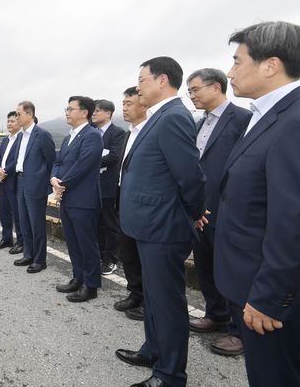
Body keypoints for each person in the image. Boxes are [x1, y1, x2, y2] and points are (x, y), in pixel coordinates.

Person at [215, 21, 300, 387]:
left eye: (238, 62)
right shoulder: (269, 115)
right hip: (248, 280)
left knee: (276, 378)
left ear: (270, 65)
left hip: (266, 293)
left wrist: (269, 298)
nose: (230, 72)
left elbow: (294, 221)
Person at [116, 57, 206, 387]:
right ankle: (153, 350)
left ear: (162, 80)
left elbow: (190, 176)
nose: (138, 87)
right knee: (154, 298)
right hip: (147, 225)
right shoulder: (160, 116)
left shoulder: (173, 117)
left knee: (167, 304)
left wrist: (194, 213)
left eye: (142, 80)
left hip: (162, 227)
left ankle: (169, 375)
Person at [186, 68, 251, 357]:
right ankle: (216, 315)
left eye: (196, 89)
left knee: (232, 272)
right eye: (189, 91)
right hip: (201, 211)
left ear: (216, 87)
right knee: (205, 266)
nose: (192, 95)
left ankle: (240, 332)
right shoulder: (200, 123)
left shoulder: (241, 118)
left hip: (226, 210)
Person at [51, 96, 103, 302]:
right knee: (72, 241)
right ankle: (77, 277)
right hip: (67, 197)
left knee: (86, 243)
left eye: (70, 109)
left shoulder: (92, 135)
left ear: (84, 113)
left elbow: (83, 165)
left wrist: (61, 183)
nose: (66, 112)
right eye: (66, 108)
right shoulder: (68, 137)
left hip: (84, 199)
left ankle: (91, 285)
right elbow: (58, 161)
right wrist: (54, 178)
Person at [113, 87, 148, 321]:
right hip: (122, 198)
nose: (124, 108)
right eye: (123, 103)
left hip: (143, 204)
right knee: (128, 252)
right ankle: (135, 292)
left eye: (129, 103)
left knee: (145, 255)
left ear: (144, 104)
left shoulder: (151, 131)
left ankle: (148, 300)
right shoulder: (129, 132)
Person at [12, 101, 56, 273]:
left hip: (36, 185)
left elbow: (51, 160)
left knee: (36, 224)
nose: (16, 117)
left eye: (19, 114)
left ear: (29, 114)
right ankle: (28, 254)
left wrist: (45, 183)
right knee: (24, 222)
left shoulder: (42, 135)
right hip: (20, 182)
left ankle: (40, 260)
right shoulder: (21, 136)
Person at [91, 99, 126, 275]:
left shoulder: (118, 133)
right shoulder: (91, 132)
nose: (94, 114)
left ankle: (111, 259)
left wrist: (89, 161)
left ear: (108, 113)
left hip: (107, 186)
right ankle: (99, 254)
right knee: (96, 223)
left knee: (110, 224)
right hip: (91, 186)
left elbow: (114, 156)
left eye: (97, 111)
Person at [0, 111, 23, 252]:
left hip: (14, 181)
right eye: (8, 121)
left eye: (12, 121)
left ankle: (21, 242)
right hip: (2, 180)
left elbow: (18, 160)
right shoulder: (6, 140)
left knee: (17, 213)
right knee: (4, 211)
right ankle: (7, 238)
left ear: (19, 122)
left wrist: (5, 171)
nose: (9, 124)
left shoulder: (22, 139)